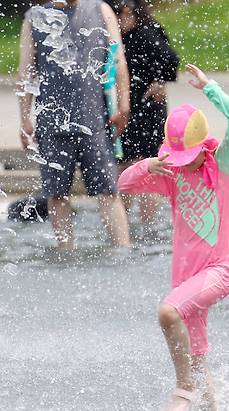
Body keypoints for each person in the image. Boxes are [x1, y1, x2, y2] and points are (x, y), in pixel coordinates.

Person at [118, 64, 229, 411]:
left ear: (203, 149)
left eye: (188, 158)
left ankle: (183, 388)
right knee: (198, 356)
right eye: (179, 158)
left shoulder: (223, 165)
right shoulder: (171, 175)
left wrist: (210, 88)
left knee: (167, 311)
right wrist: (149, 165)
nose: (183, 164)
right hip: (186, 277)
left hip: (219, 270)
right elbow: (123, 185)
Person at [18, 0, 131, 250]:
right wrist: (25, 118)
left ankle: (122, 252)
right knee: (56, 193)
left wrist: (124, 105)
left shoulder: (100, 9)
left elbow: (118, 60)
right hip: (52, 123)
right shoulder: (34, 18)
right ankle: (65, 252)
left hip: (95, 120)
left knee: (108, 190)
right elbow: (25, 73)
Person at [108, 0, 179, 234]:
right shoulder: (123, 34)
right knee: (125, 162)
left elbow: (171, 60)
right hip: (127, 108)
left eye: (116, 16)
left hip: (146, 110)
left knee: (146, 164)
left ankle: (145, 227)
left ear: (128, 13)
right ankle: (126, 224)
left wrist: (159, 82)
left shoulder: (146, 33)